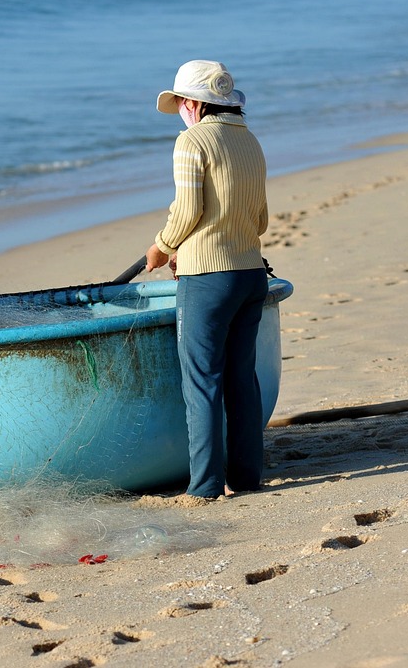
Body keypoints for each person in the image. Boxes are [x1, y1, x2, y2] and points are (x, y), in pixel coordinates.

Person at [145, 60, 269, 499]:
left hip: (207, 280)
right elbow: (260, 220)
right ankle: (248, 477)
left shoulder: (191, 141)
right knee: (241, 378)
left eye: (180, 102)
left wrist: (162, 246)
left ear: (195, 104)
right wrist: (189, 245)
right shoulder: (250, 142)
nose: (179, 110)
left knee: (201, 382)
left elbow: (187, 211)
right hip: (251, 273)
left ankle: (205, 487)